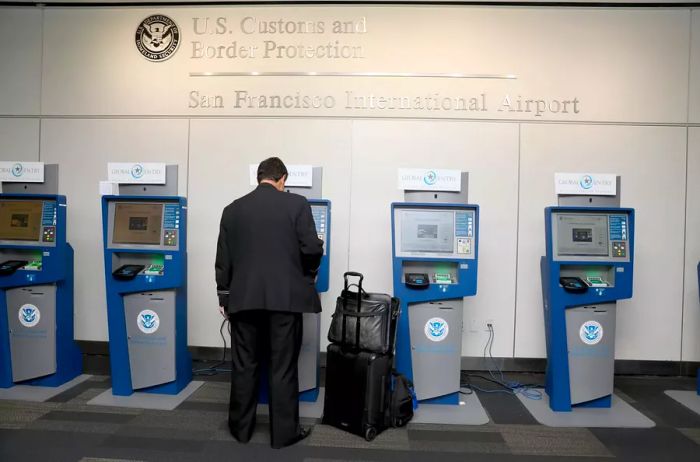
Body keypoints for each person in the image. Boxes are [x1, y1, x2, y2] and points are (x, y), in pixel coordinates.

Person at [215, 157, 324, 449]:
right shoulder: (297, 204)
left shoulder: (233, 209)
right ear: (283, 179)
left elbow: (223, 260)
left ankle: (241, 429)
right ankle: (284, 434)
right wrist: (308, 274)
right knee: (283, 367)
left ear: (259, 177)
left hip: (244, 299)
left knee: (245, 364)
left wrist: (223, 295)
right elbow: (312, 248)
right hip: (284, 300)